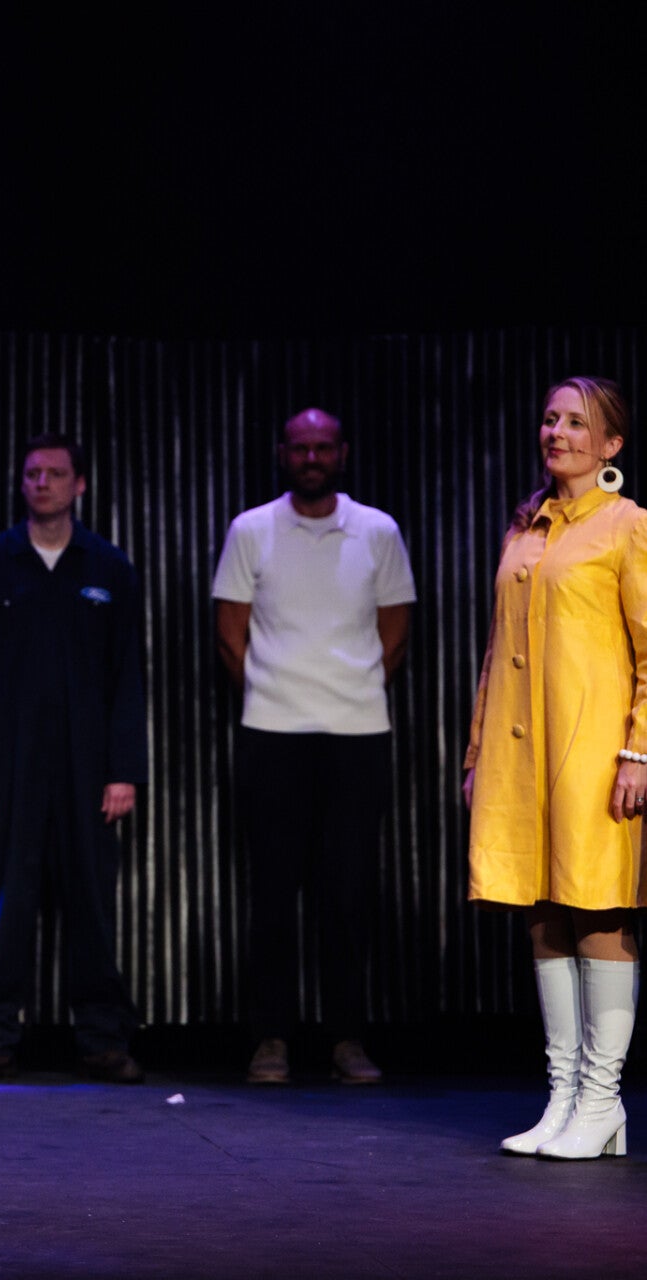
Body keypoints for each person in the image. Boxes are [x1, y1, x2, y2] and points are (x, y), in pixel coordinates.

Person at [465, 376, 644, 1159]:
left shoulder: (626, 526)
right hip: (521, 759)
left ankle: (601, 1101)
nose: (557, 432)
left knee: (597, 910)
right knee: (542, 913)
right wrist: (477, 756)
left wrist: (638, 750)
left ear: (610, 444)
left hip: (594, 753)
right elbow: (494, 654)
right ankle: (563, 1098)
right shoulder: (527, 526)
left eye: (576, 422)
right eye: (549, 418)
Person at [214, 408, 414, 1085]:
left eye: (322, 447)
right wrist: (274, 693)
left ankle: (347, 1038)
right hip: (272, 733)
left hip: (356, 736)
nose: (310, 458)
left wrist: (351, 690)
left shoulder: (377, 529)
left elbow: (395, 630)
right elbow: (230, 632)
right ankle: (269, 1039)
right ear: (282, 453)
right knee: (273, 893)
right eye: (300, 448)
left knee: (348, 893)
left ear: (342, 453)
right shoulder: (251, 529)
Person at [0, 436, 146, 1085]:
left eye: (56, 474)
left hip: (89, 770)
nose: (42, 483)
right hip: (9, 768)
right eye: (32, 473)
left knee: (91, 905)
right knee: (6, 906)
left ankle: (103, 1040)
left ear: (79, 484)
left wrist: (124, 770)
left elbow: (127, 677)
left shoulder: (108, 566)